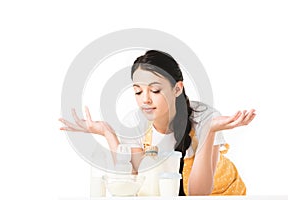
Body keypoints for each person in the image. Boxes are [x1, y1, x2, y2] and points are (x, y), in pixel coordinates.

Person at [59, 50, 256, 196]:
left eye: (154, 90)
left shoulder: (204, 118)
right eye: (138, 91)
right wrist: (108, 133)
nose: (144, 99)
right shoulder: (136, 122)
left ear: (177, 89)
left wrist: (209, 131)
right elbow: (134, 180)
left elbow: (198, 195)